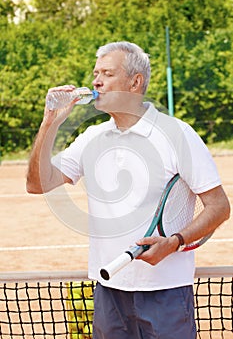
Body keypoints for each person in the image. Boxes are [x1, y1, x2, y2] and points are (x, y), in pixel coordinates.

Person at [26, 41, 230, 339]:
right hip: (108, 292)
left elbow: (219, 206)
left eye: (107, 73)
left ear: (135, 82)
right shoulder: (91, 137)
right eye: (95, 73)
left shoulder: (178, 134)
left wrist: (174, 242)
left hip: (166, 292)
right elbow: (36, 183)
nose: (96, 81)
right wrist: (49, 123)